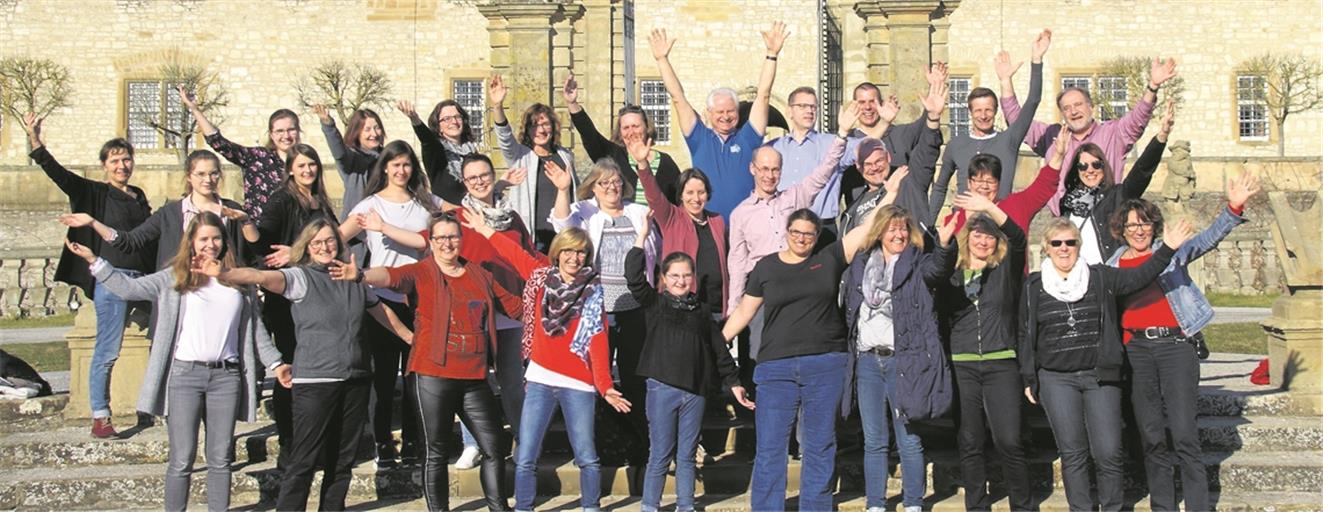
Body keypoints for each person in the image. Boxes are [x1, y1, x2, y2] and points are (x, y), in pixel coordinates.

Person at [66, 213, 291, 512]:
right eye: (203, 239)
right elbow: (129, 289)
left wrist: (276, 363)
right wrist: (96, 262)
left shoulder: (237, 279)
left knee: (221, 457)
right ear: (192, 242)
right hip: (185, 375)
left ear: (224, 242)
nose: (210, 244)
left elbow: (253, 330)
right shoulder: (175, 276)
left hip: (226, 377)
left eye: (216, 238)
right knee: (182, 459)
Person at [204, 218, 412, 511]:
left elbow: (380, 311)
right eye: (317, 243)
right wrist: (227, 272)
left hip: (355, 378)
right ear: (307, 248)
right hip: (315, 382)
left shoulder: (353, 278)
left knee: (342, 461)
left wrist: (411, 338)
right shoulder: (301, 278)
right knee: (304, 460)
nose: (325, 247)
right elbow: (262, 277)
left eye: (330, 241)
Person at [336, 213, 522, 512]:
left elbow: (516, 307)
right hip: (432, 373)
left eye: (453, 237)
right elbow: (393, 278)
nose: (448, 243)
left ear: (461, 240)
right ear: (431, 242)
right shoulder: (422, 272)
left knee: (493, 446)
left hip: (474, 375)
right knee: (435, 452)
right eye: (441, 238)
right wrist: (361, 275)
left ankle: (499, 508)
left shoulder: (480, 274)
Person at [1105, 172, 1260, 512]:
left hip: (1176, 348)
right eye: (1131, 226)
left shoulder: (1170, 252)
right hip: (1137, 352)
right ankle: (1163, 505)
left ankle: (1198, 506)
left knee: (1184, 433)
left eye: (1144, 223)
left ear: (1154, 226)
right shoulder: (1113, 264)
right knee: (1151, 435)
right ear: (1122, 230)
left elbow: (1207, 240)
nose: (1139, 230)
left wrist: (1233, 207)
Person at [720, 206, 889, 512]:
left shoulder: (829, 258)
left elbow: (864, 230)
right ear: (786, 233)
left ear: (816, 237)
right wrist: (717, 344)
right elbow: (745, 311)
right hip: (774, 369)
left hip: (825, 365)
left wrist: (889, 193)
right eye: (796, 232)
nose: (801, 238)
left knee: (819, 445)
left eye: (808, 234)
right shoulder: (767, 268)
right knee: (771, 448)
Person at [1019, 216, 1192, 512]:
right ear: (1046, 247)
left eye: (1070, 242)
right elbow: (1025, 332)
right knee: (1073, 453)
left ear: (1079, 246)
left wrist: (1168, 250)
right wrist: (1027, 377)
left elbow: (1140, 276)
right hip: (1056, 379)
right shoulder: (1034, 286)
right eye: (1057, 243)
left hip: (1099, 377)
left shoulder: (1099, 276)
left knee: (1109, 452)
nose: (1064, 248)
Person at [467, 222, 631, 512]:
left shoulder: (593, 292)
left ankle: (591, 507)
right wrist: (484, 230)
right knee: (526, 455)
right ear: (557, 253)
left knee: (587, 456)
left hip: (578, 384)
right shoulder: (541, 279)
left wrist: (605, 386)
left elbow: (598, 341)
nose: (574, 258)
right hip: (540, 380)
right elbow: (512, 253)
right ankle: (524, 508)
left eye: (581, 252)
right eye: (568, 250)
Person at [24, 112, 153, 438]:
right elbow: (60, 176)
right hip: (111, 277)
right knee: (107, 349)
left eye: (126, 159)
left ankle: (162, 404)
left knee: (171, 332)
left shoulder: (138, 196)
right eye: (115, 161)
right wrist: (36, 141)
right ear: (104, 166)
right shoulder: (95, 192)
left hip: (142, 278)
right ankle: (101, 415)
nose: (122, 165)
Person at [625, 219, 754, 512]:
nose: (681, 281)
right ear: (664, 278)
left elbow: (719, 349)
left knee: (686, 456)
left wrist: (734, 383)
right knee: (660, 454)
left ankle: (686, 506)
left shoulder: (702, 311)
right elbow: (634, 278)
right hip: (661, 388)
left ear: (693, 278)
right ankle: (650, 506)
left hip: (695, 391)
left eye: (686, 275)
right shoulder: (655, 304)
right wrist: (642, 236)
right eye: (674, 276)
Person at [840, 204, 958, 512]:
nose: (899, 234)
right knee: (874, 441)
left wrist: (945, 245)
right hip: (867, 361)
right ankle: (876, 504)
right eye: (892, 228)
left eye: (903, 228)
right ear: (880, 231)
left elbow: (940, 269)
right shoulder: (862, 263)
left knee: (908, 438)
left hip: (904, 363)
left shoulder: (919, 264)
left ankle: (913, 503)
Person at [726, 102, 855, 367]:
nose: (769, 175)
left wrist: (841, 135)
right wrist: (733, 308)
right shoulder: (741, 214)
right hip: (761, 292)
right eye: (764, 169)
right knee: (757, 356)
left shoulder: (795, 197)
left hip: (795, 286)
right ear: (753, 169)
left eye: (775, 170)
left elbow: (824, 172)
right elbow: (737, 263)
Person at [548, 157, 657, 464]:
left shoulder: (637, 212)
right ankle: (601, 443)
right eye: (603, 183)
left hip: (635, 308)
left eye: (616, 181)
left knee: (636, 376)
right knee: (597, 376)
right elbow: (562, 226)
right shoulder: (586, 212)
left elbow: (654, 254)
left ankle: (638, 442)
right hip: (598, 311)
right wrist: (562, 189)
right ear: (593, 187)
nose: (611, 187)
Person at [339, 140, 437, 468]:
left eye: (406, 164)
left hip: (418, 299)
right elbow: (335, 236)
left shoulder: (425, 203)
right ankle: (382, 441)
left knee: (415, 376)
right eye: (394, 164)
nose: (401, 170)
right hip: (381, 299)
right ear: (385, 167)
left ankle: (411, 440)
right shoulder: (370, 206)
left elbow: (456, 214)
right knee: (382, 377)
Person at [933, 195, 1031, 511]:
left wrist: (990, 208)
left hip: (1001, 361)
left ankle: (1022, 505)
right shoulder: (952, 271)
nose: (983, 241)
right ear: (968, 237)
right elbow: (931, 273)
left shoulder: (1005, 270)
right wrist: (943, 242)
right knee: (970, 441)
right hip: (962, 365)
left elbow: (1018, 237)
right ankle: (977, 505)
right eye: (978, 234)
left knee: (1009, 441)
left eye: (989, 235)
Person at [253, 143, 338, 469]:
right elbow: (262, 242)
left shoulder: (320, 201)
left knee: (315, 373)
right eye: (301, 166)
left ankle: (315, 443)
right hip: (288, 300)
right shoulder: (282, 200)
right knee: (291, 372)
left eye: (312, 165)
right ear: (290, 169)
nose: (307, 171)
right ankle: (290, 446)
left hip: (319, 297)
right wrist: (293, 254)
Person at [1002, 57, 1177, 213]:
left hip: (1106, 220)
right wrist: (1005, 81)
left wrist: (1152, 87)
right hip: (1065, 226)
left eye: (1078, 105)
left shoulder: (1113, 133)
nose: (1073, 112)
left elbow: (1137, 118)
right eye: (1066, 108)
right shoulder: (1052, 136)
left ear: (1091, 106)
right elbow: (1018, 122)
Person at [648, 23, 787, 218]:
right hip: (707, 225)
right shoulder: (699, 138)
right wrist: (662, 60)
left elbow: (763, 94)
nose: (726, 116)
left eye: (731, 111)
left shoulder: (748, 137)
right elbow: (678, 97)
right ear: (708, 113)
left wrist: (772, 54)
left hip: (746, 224)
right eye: (719, 111)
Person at [60, 150, 258, 271]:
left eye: (214, 174)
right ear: (189, 176)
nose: (208, 180)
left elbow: (254, 250)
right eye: (201, 174)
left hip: (223, 291)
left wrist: (246, 221)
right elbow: (131, 241)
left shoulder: (232, 210)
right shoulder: (170, 214)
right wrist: (93, 223)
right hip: (180, 295)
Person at [929, 29, 1050, 221]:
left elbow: (1033, 100)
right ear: (970, 112)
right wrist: (928, 224)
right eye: (978, 110)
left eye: (988, 110)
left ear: (995, 111)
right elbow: (940, 186)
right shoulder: (956, 144)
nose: (983, 116)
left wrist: (1036, 60)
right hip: (963, 223)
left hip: (999, 221)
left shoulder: (1009, 140)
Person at [1061, 100, 1175, 265]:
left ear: (1104, 166)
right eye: (1083, 166)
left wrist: (1162, 135)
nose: (1090, 170)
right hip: (1078, 277)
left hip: (1108, 275)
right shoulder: (1068, 203)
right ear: (1076, 170)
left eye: (1096, 164)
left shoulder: (1116, 195)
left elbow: (1142, 172)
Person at [625, 136, 727, 317]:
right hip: (683, 307)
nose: (696, 199)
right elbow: (654, 196)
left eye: (701, 192)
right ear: (680, 195)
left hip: (717, 307)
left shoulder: (717, 220)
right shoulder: (672, 217)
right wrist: (642, 165)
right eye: (690, 193)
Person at [841, 66, 948, 228]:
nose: (868, 107)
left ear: (882, 103)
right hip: (863, 221)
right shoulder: (847, 142)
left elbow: (927, 132)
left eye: (872, 102)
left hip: (902, 217)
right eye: (862, 102)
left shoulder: (900, 133)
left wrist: (934, 92)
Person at [181, 86, 300, 219]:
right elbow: (218, 142)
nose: (286, 136)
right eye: (280, 131)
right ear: (271, 134)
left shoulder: (306, 162)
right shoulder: (257, 158)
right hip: (259, 233)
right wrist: (195, 109)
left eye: (291, 130)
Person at [563, 73, 682, 206]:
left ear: (646, 127)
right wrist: (572, 104)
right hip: (622, 225)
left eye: (636, 126)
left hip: (657, 226)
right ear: (620, 132)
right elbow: (590, 135)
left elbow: (679, 200)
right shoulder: (613, 156)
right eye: (626, 128)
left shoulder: (666, 162)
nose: (631, 132)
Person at [489, 75, 578, 252]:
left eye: (545, 124)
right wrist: (497, 106)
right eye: (534, 125)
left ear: (553, 127)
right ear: (527, 130)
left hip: (563, 235)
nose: (540, 130)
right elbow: (505, 137)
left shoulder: (565, 156)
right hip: (533, 236)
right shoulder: (520, 155)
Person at [397, 99, 523, 206]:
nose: (454, 122)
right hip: (450, 221)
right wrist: (414, 119)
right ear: (438, 126)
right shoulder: (436, 152)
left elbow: (480, 192)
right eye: (446, 119)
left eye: (457, 117)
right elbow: (427, 141)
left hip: (477, 218)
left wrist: (501, 184)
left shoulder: (472, 153)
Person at [311, 105, 385, 224]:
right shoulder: (352, 158)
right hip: (357, 230)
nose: (374, 134)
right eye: (367, 129)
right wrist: (328, 124)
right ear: (357, 133)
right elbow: (339, 153)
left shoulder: (389, 158)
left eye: (377, 128)